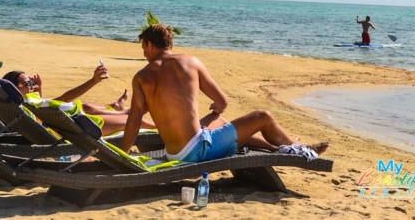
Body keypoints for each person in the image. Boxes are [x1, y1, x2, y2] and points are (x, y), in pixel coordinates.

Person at [120, 24, 329, 162]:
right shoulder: (190, 62)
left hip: (174, 153)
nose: (143, 51)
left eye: (143, 47)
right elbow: (222, 100)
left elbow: (134, 120)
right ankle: (299, 149)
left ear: (150, 44)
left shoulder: (141, 77)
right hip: (198, 151)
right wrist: (217, 108)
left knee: (222, 124)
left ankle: (279, 148)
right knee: (262, 116)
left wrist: (123, 155)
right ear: (170, 44)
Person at [2, 64, 155, 136]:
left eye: (31, 82)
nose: (30, 85)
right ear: (14, 88)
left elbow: (39, 114)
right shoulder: (24, 105)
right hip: (73, 131)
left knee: (91, 108)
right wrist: (94, 81)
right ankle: (161, 128)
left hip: (67, 124)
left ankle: (125, 109)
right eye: (25, 83)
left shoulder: (18, 104)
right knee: (133, 121)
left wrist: (38, 90)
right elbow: (64, 99)